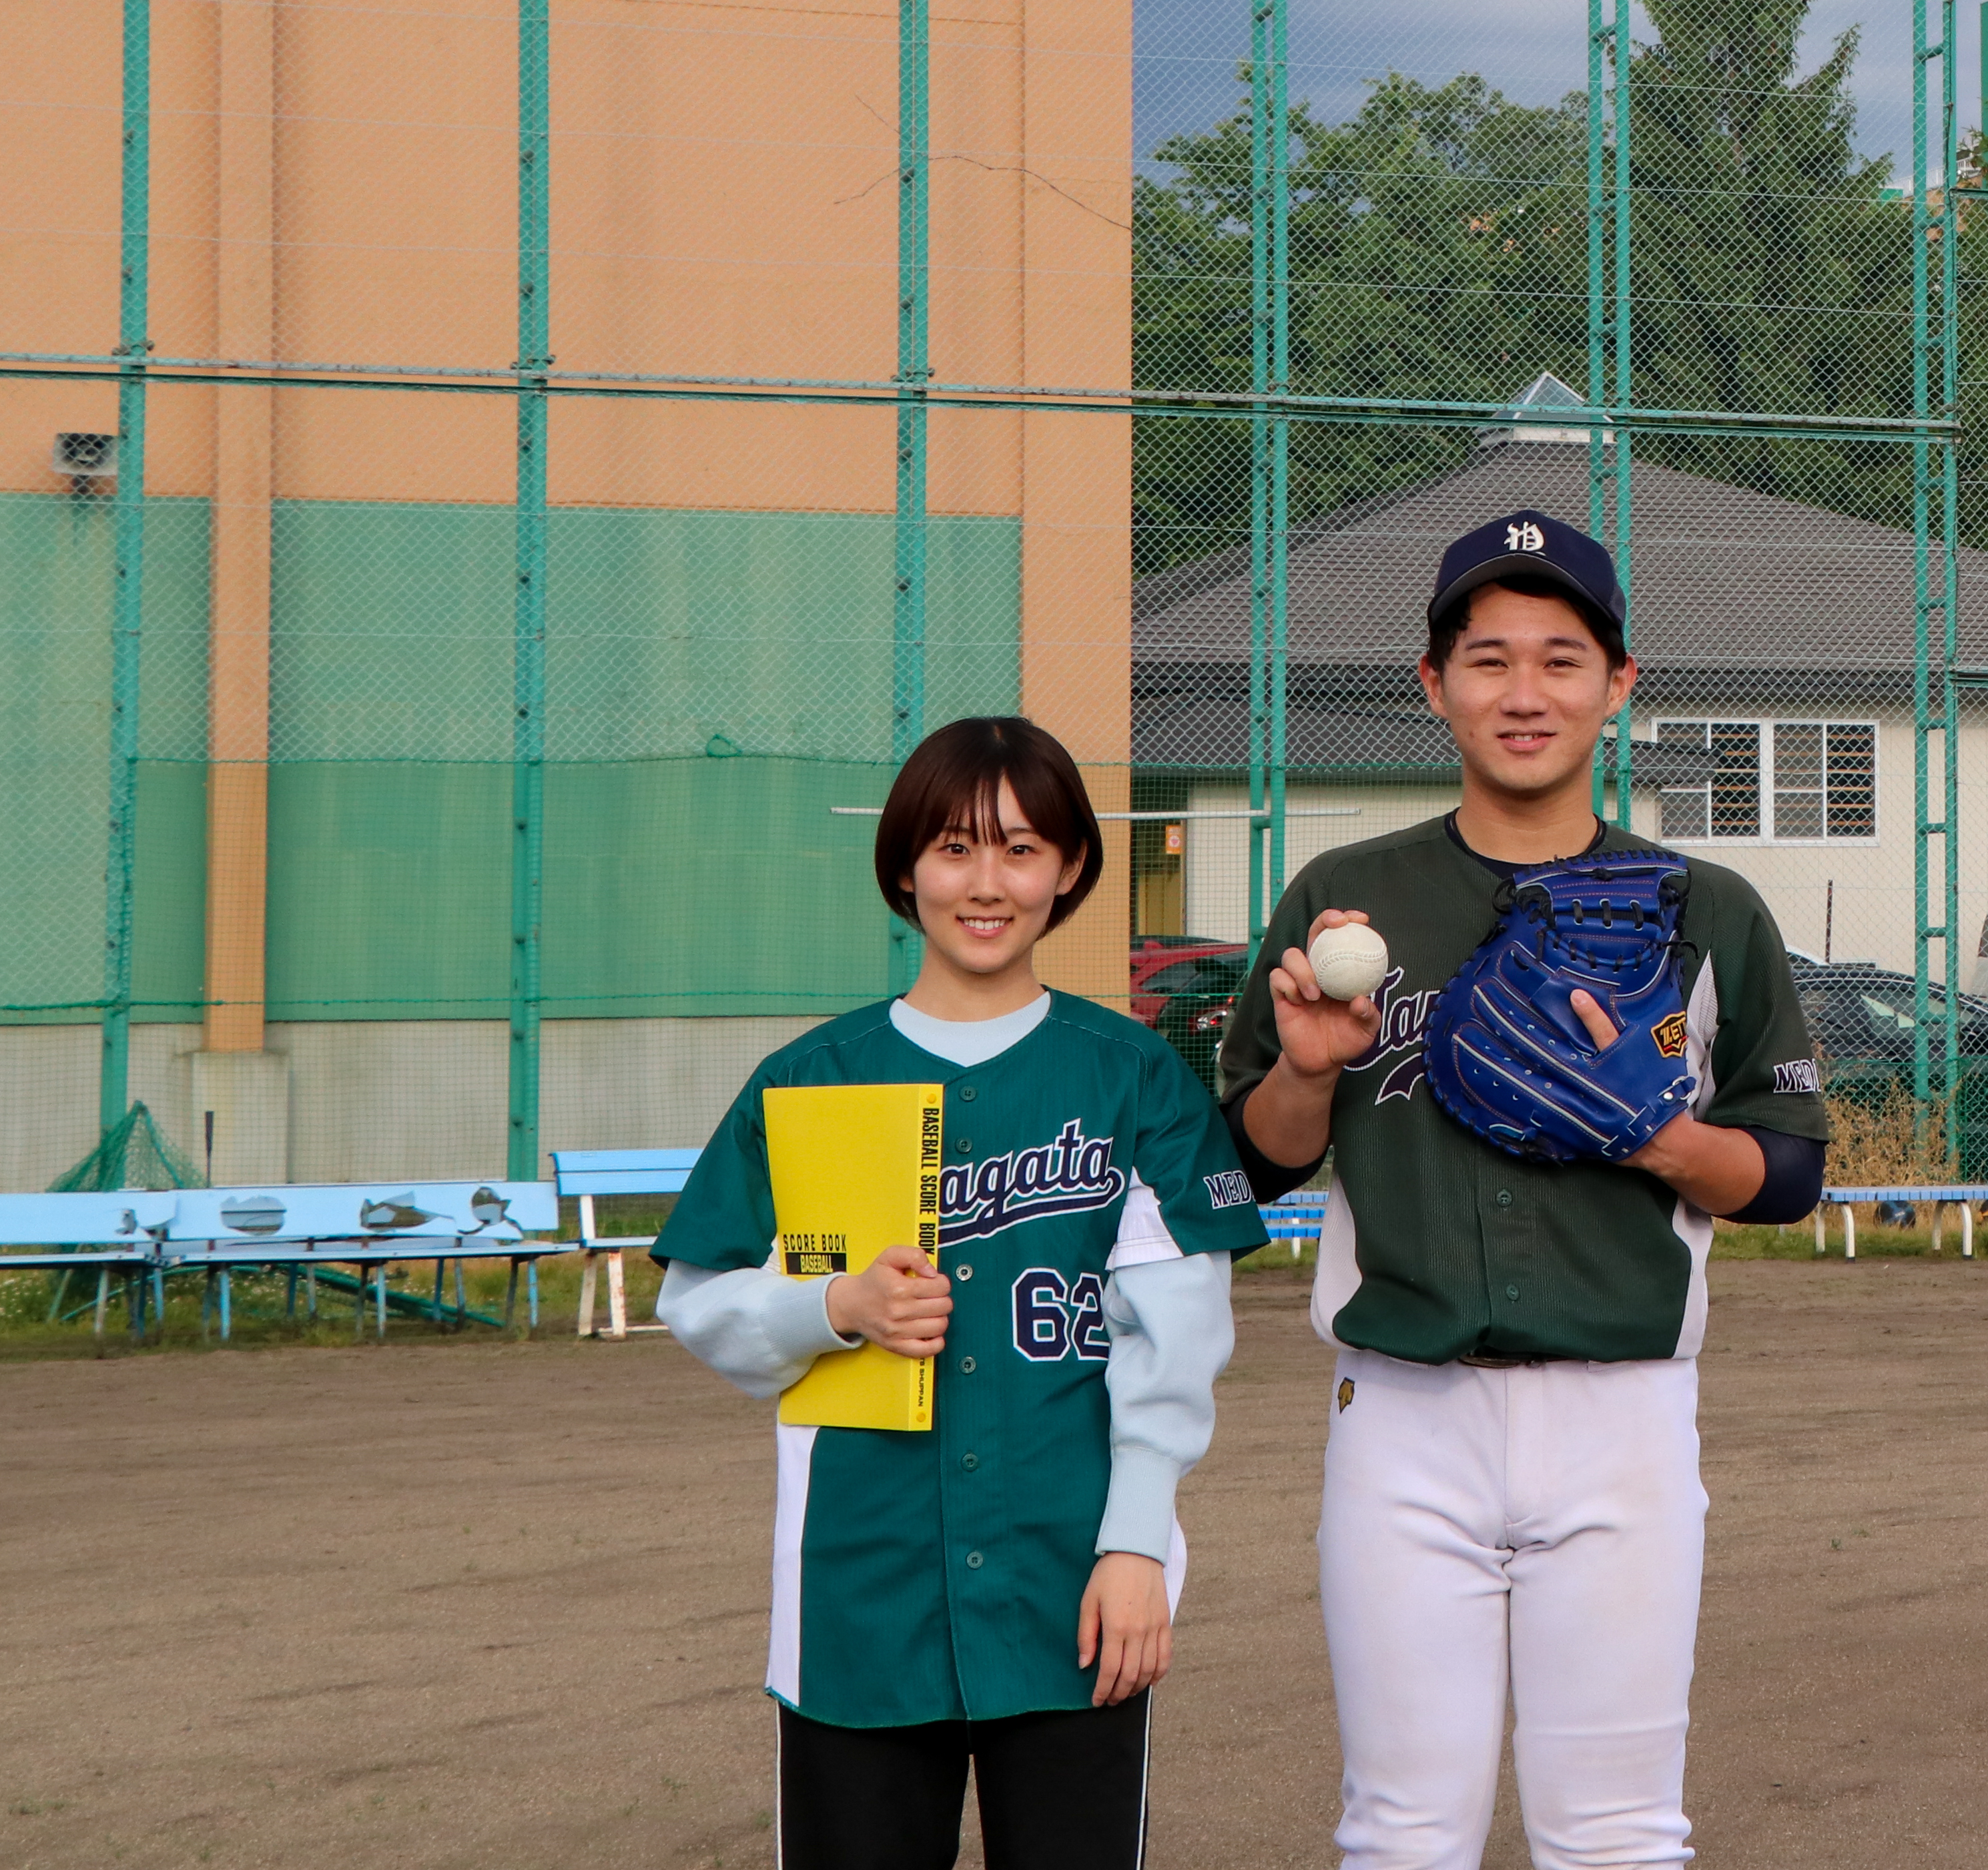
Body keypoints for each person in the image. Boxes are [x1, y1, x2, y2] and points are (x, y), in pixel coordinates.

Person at [1214, 510, 1833, 1869]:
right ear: (1432, 684)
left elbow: (1786, 1172)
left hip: (1623, 1414)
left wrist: (1663, 1137)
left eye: (1563, 655)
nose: (1525, 689)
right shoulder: (1343, 893)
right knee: (1400, 1831)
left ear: (1621, 682)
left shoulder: (1704, 907)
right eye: (1487, 656)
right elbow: (1255, 1159)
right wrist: (1312, 1069)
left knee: (1616, 1834)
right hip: (1406, 1419)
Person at [654, 714, 1267, 1870]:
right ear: (904, 867)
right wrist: (832, 1309)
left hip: (1074, 1581)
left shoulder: (1131, 1075)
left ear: (1072, 868)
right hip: (859, 1597)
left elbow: (1175, 1340)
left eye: (1022, 849)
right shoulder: (809, 1080)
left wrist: (1138, 1546)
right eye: (952, 847)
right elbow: (700, 1300)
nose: (987, 883)